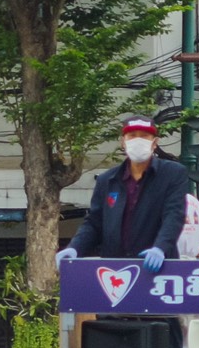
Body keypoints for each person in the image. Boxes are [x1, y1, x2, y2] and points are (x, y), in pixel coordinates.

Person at [55, 115, 188, 274]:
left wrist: (160, 248)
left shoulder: (172, 173)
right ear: (123, 142)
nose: (138, 140)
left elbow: (174, 215)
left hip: (158, 270)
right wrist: (75, 248)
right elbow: (94, 222)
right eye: (132, 136)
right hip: (115, 270)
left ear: (154, 143)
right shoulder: (108, 180)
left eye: (144, 136)